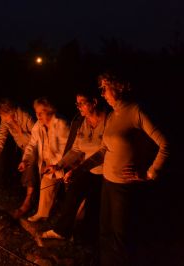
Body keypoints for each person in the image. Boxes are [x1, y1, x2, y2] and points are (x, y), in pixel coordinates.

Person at [97, 71, 169, 265]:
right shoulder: (112, 115)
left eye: (104, 88)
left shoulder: (136, 111)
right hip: (107, 182)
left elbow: (165, 144)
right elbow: (104, 149)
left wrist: (150, 173)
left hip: (124, 186)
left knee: (122, 238)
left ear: (117, 87)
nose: (102, 94)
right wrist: (75, 166)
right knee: (105, 232)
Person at [40, 88, 109, 243]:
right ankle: (61, 231)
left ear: (94, 102)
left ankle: (85, 240)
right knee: (72, 195)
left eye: (82, 103)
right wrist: (58, 165)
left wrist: (77, 170)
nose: (78, 107)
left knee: (93, 205)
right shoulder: (83, 122)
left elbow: (103, 153)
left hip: (106, 171)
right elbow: (77, 149)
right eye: (77, 104)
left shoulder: (108, 120)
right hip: (87, 168)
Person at [18, 97, 70, 222]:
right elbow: (32, 145)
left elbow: (67, 149)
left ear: (49, 111)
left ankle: (77, 220)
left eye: (41, 112)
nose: (37, 115)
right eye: (36, 112)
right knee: (46, 185)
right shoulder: (38, 125)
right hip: (49, 166)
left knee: (73, 193)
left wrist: (56, 165)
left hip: (66, 165)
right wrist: (25, 160)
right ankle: (42, 213)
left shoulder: (61, 124)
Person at [0, 98, 36, 218]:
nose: (2, 118)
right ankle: (30, 198)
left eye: (4, 115)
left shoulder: (26, 116)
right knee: (26, 171)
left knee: (29, 167)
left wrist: (17, 127)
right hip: (25, 148)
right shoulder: (6, 120)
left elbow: (36, 139)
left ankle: (27, 202)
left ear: (11, 112)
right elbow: (0, 138)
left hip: (38, 147)